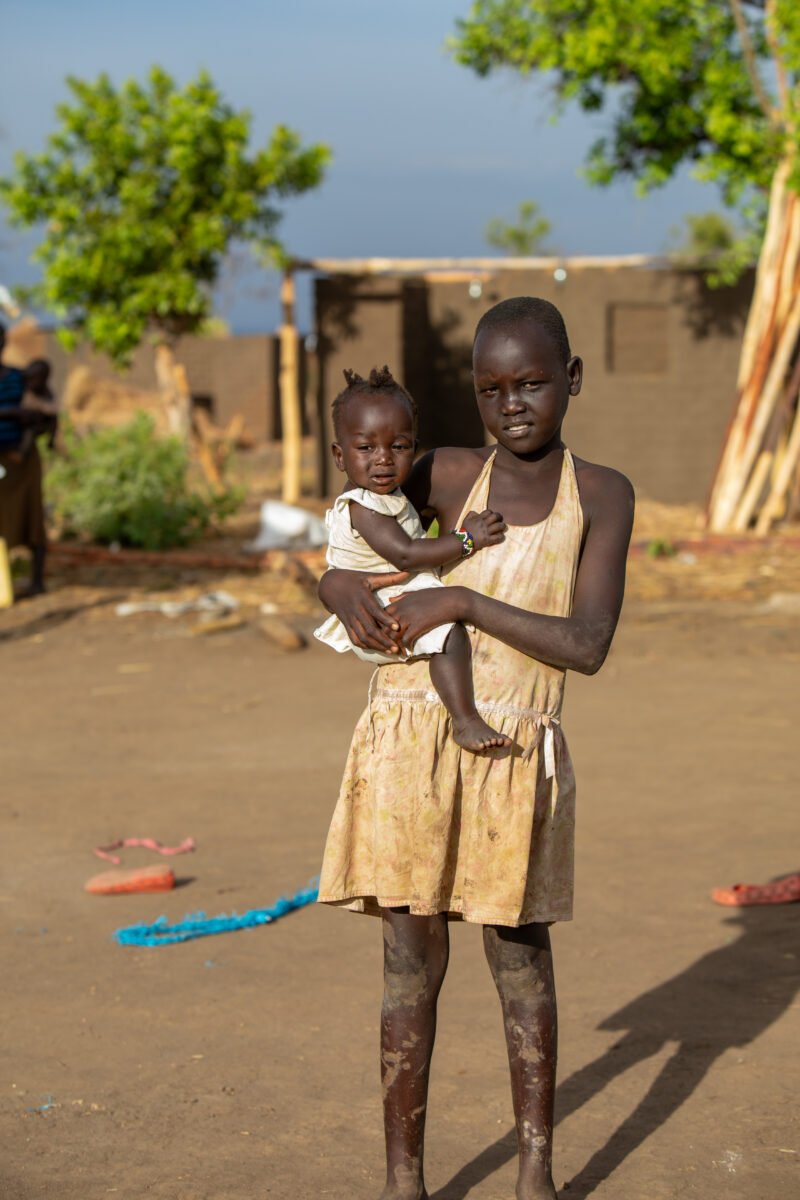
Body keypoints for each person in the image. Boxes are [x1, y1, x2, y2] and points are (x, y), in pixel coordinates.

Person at [316, 296, 635, 1200]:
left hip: (508, 748)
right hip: (411, 738)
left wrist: (459, 600)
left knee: (521, 958)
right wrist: (337, 582)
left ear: (570, 380)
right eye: (492, 388)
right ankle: (402, 1178)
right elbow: (351, 519)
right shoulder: (448, 471)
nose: (513, 405)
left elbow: (587, 645)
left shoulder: (601, 494)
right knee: (409, 963)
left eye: (532, 383)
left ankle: (536, 1168)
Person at [314, 365, 510, 752]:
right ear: (340, 456)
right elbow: (405, 552)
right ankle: (465, 720)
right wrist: (467, 540)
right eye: (366, 448)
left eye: (399, 447)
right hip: (378, 611)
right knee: (449, 636)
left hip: (387, 599)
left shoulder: (387, 497)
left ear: (415, 448)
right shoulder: (364, 506)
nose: (384, 459)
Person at [0, 325, 50, 595]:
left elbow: (44, 409)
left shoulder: (22, 378)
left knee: (31, 514)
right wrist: (13, 412)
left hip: (23, 459)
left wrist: (29, 420)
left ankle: (37, 581)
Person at [16, 359, 58, 460]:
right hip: (27, 423)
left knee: (30, 433)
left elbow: (51, 412)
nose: (31, 382)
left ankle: (21, 456)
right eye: (29, 378)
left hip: (40, 424)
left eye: (35, 379)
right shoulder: (24, 389)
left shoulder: (45, 393)